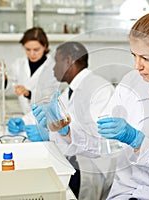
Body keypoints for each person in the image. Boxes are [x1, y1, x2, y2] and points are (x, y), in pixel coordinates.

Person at [34, 4, 149, 200]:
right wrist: (66, 131)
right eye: (134, 55)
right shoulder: (131, 82)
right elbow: (104, 143)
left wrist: (139, 142)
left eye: (146, 58)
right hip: (128, 191)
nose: (137, 66)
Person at [12, 41, 116, 200]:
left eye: (56, 62)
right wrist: (24, 122)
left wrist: (49, 134)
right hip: (73, 160)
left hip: (90, 168)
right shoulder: (71, 89)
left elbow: (97, 137)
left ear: (68, 61)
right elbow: (54, 114)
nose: (53, 68)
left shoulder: (100, 88)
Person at [6, 27, 59, 114]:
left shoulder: (54, 66)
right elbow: (9, 88)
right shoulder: (18, 64)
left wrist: (29, 94)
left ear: (45, 46)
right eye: (28, 49)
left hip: (46, 119)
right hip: (24, 117)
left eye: (36, 50)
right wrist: (3, 80)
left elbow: (50, 96)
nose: (32, 54)